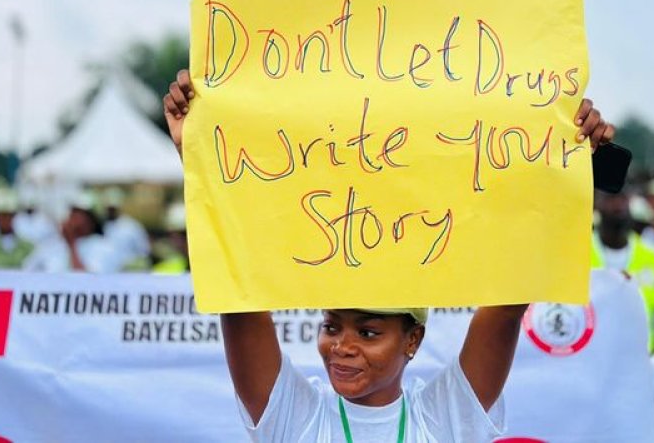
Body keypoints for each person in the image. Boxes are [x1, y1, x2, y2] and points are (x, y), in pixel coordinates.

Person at [164, 69, 615, 441]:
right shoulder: (296, 418)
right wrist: (199, 156)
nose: (342, 346)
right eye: (331, 326)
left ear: (413, 340)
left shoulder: (445, 418)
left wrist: (569, 163)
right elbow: (237, 298)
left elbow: (509, 302)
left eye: (369, 330)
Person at [592, 190, 654, 351]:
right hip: (590, 366)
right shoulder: (576, 256)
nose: (618, 205)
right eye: (611, 198)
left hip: (642, 365)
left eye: (623, 198)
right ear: (597, 205)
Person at [23, 191, 120, 273]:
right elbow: (26, 273)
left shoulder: (103, 248)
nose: (71, 218)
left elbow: (87, 283)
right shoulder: (51, 245)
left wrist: (71, 244)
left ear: (91, 220)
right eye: (71, 212)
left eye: (78, 213)